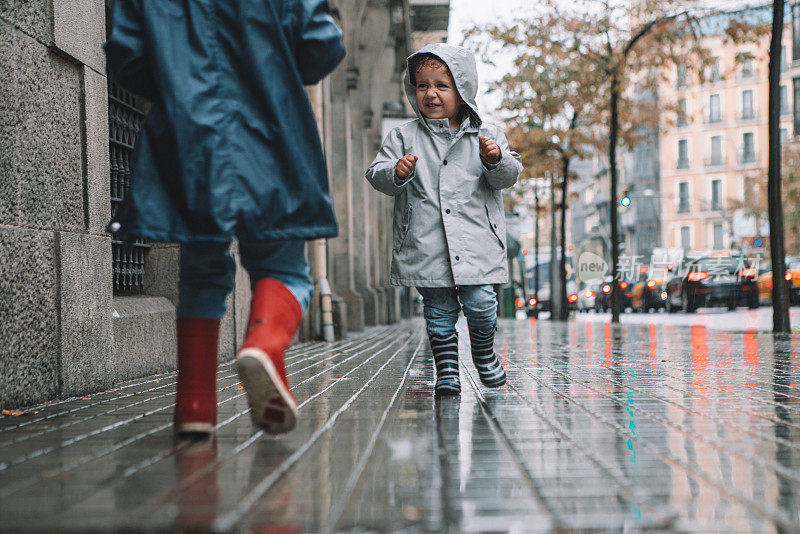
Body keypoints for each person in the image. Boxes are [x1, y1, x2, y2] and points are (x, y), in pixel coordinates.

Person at [104, 0, 346, 435]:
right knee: (284, 266)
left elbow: (128, 56)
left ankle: (195, 406)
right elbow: (320, 46)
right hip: (272, 129)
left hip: (188, 134)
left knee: (200, 271)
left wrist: (178, 83)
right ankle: (264, 345)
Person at [365, 43, 523, 395]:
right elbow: (376, 173)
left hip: (476, 240)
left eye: (442, 85)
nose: (431, 94)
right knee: (438, 311)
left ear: (462, 90)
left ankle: (484, 356)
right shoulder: (404, 136)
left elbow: (507, 177)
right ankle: (447, 370)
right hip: (426, 240)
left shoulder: (488, 134)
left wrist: (496, 160)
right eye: (422, 85)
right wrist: (397, 171)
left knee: (482, 303)